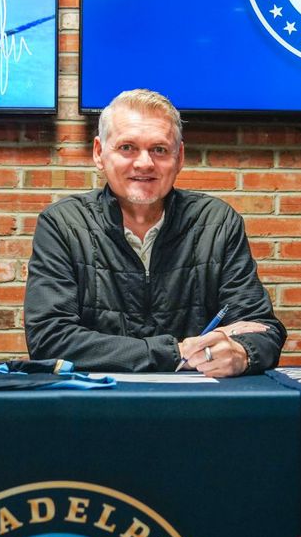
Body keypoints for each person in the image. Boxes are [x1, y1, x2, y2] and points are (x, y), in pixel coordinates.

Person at [25, 89, 286, 376]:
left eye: (159, 149)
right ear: (99, 153)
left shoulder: (217, 222)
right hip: (96, 407)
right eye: (127, 148)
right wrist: (177, 352)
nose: (144, 163)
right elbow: (49, 340)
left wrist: (241, 352)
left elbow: (262, 329)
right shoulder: (63, 224)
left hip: (198, 407)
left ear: (179, 157)